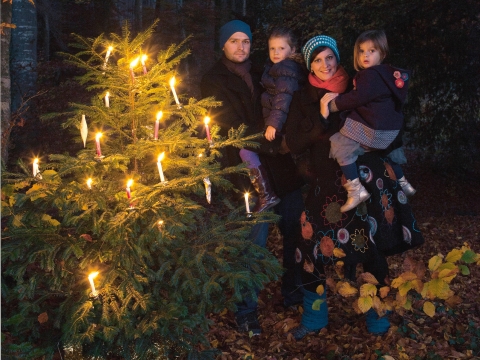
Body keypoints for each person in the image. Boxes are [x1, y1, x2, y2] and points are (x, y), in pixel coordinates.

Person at [282, 35, 424, 340]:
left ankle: (377, 319)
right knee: (314, 251)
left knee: (368, 246)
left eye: (329, 57)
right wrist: (322, 115)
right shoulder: (303, 98)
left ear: (337, 57)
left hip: (362, 182)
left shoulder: (359, 86)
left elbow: (386, 121)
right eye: (317, 60)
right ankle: (315, 316)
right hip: (323, 185)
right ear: (310, 64)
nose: (324, 65)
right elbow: (293, 143)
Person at [200, 20, 305, 335]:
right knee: (253, 242)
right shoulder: (212, 80)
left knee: (295, 232)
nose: (241, 47)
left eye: (246, 41)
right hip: (248, 170)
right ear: (223, 44)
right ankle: (246, 311)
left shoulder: (266, 70)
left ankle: (293, 294)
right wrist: (272, 136)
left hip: (283, 167)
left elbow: (287, 103)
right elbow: (227, 125)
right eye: (234, 41)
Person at [324, 30, 416, 212]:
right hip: (389, 132)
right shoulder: (388, 75)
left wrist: (334, 104)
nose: (365, 55)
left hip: (372, 128)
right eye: (361, 51)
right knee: (388, 153)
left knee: (340, 144)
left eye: (371, 51)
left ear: (382, 53)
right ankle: (403, 182)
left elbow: (358, 97)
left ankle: (355, 189)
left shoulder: (370, 75)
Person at [238, 26, 306, 213]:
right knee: (248, 150)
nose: (276, 53)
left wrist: (273, 125)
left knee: (246, 150)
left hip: (278, 125)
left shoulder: (286, 68)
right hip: (276, 123)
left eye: (281, 48)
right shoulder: (275, 67)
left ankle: (266, 194)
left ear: (292, 50)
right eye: (272, 48)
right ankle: (267, 193)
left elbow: (282, 99)